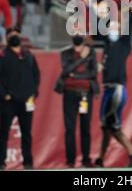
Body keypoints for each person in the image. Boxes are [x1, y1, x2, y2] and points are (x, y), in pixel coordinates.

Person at [0, 27, 41, 170]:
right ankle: (1, 163)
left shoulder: (28, 55)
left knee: (27, 134)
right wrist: (3, 94)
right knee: (4, 132)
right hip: (8, 102)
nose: (15, 37)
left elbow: (36, 74)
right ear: (7, 38)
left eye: (17, 35)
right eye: (11, 35)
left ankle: (28, 163)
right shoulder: (1, 55)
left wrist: (34, 92)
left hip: (26, 101)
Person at [95, 20, 132, 167]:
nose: (112, 29)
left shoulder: (124, 45)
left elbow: (129, 27)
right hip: (107, 90)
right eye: (110, 27)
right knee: (105, 126)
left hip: (117, 89)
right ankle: (101, 159)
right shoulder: (107, 46)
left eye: (115, 27)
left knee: (113, 126)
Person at [56, 35, 98, 168]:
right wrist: (82, 58)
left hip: (85, 94)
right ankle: (70, 161)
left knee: (85, 128)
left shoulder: (91, 52)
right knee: (70, 129)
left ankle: (86, 159)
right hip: (70, 94)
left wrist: (75, 75)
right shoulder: (65, 53)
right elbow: (65, 71)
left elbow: (93, 73)